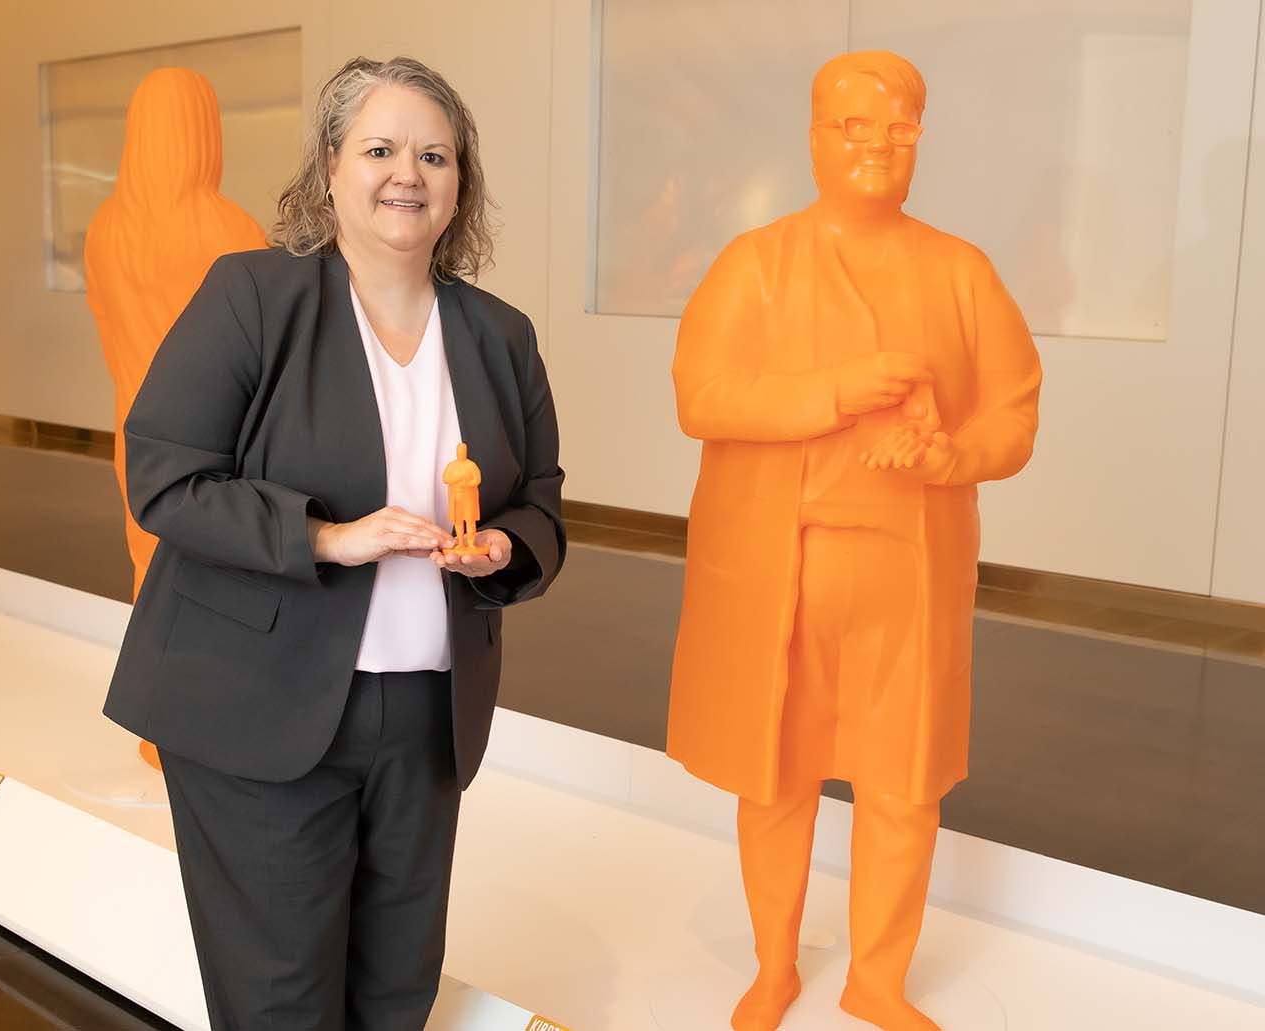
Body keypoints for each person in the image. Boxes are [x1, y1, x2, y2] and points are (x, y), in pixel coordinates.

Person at [102, 56, 565, 1031]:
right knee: (281, 999)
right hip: (257, 705)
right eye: (381, 148)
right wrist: (326, 535)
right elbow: (165, 476)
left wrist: (506, 552)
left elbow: (543, 506)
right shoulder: (254, 295)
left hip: (426, 719)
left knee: (397, 987)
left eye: (434, 154)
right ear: (328, 168)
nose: (408, 173)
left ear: (460, 180)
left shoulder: (499, 335)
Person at [668, 51, 1041, 1031]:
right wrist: (835, 390)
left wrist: (951, 453)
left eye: (896, 130)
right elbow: (699, 396)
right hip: (779, 572)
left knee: (902, 785)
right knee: (775, 778)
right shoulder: (757, 263)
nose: (876, 147)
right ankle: (772, 963)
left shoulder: (958, 272)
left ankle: (878, 976)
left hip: (905, 579)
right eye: (851, 127)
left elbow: (1012, 414)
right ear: (812, 135)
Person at [84, 67, 267, 603]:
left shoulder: (104, 226)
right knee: (218, 562)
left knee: (147, 550)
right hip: (219, 428)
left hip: (135, 417)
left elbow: (106, 326)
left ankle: (152, 670)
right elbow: (262, 340)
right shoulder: (229, 226)